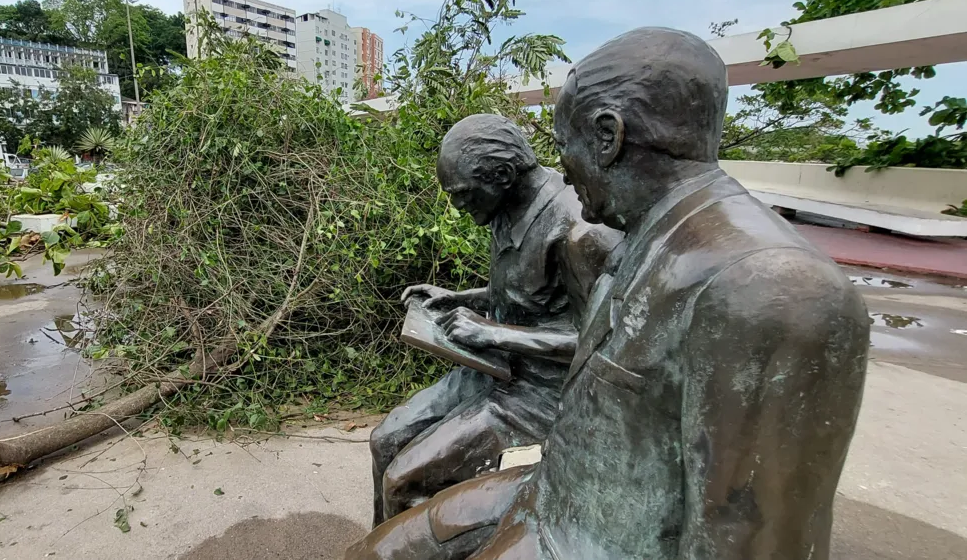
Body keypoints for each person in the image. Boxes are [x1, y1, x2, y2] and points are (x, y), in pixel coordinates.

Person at [348, 27, 870, 560]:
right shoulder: (644, 233)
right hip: (556, 492)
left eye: (561, 145)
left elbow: (750, 535)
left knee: (404, 493)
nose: (559, 167)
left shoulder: (772, 287)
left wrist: (495, 334)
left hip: (590, 534)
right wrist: (468, 301)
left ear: (607, 136)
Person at [370, 113, 620, 526]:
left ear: (503, 174)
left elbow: (601, 343)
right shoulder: (505, 206)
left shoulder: (579, 229)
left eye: (464, 194)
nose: (458, 206)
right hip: (493, 367)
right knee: (387, 440)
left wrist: (491, 332)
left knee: (402, 481)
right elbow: (529, 295)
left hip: (540, 397)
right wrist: (455, 298)